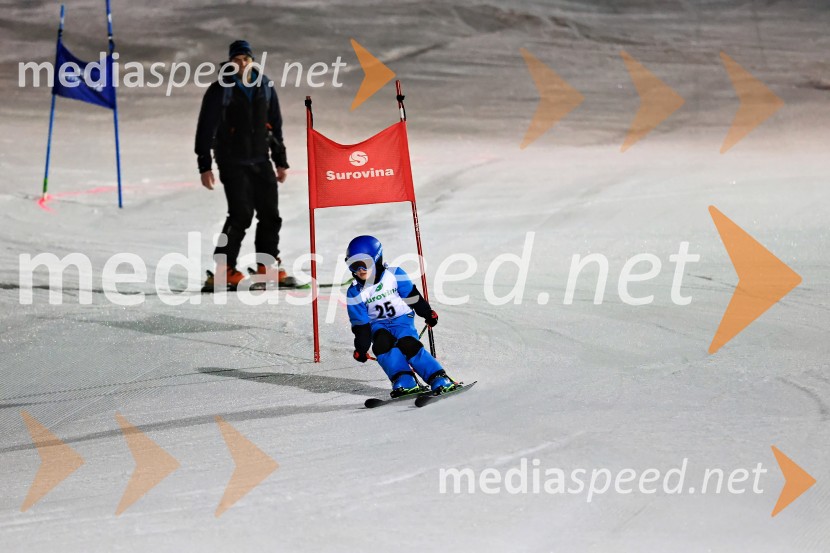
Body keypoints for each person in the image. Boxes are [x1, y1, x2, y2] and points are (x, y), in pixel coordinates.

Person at [194, 39, 294, 290]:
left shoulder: (265, 86)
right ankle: (222, 270)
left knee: (270, 215)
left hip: (261, 159)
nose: (242, 63)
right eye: (237, 59)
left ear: (252, 61)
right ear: (230, 62)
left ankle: (267, 266)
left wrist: (280, 162)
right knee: (241, 214)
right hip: (232, 161)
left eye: (246, 59)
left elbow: (275, 126)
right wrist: (204, 165)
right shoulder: (220, 89)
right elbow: (205, 128)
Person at [345, 235, 458, 398]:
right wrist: (362, 349)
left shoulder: (394, 275)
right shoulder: (355, 292)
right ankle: (404, 379)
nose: (360, 270)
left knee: (408, 344)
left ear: (376, 259)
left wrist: (427, 313)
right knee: (382, 344)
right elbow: (361, 326)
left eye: (364, 264)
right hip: (377, 325)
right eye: (354, 265)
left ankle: (438, 377)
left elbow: (412, 296)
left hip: (402, 320)